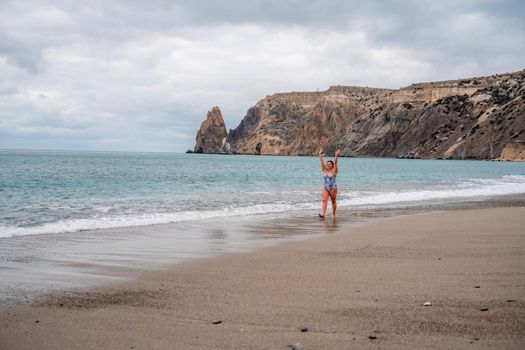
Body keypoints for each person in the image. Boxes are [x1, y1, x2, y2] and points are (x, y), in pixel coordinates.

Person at [318, 147, 340, 219]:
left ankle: (333, 214)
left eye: (330, 164)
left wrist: (336, 156)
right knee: (324, 200)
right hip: (325, 187)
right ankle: (323, 214)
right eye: (327, 164)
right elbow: (322, 162)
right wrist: (320, 155)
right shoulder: (324, 170)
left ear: (332, 165)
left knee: (333, 201)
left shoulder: (334, 171)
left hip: (333, 188)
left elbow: (336, 163)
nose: (328, 165)